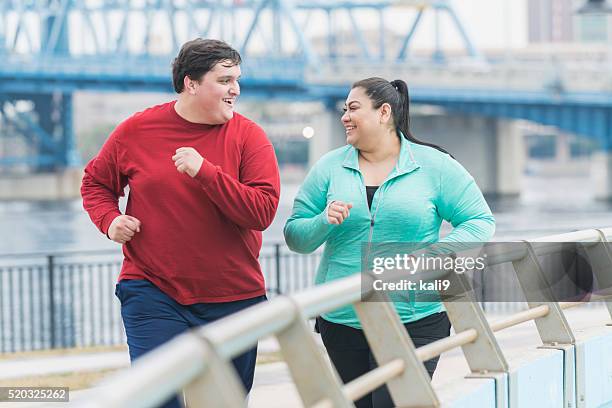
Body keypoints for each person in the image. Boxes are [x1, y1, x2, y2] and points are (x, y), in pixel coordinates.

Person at [81, 38, 280, 408]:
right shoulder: (136, 131)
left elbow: (262, 212)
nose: (235, 88)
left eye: (237, 79)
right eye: (224, 80)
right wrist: (109, 220)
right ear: (191, 83)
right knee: (156, 399)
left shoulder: (249, 136)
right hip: (152, 290)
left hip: (232, 297)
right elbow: (95, 183)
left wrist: (206, 173)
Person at [283, 77, 495, 408]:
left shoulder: (434, 166)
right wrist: (323, 221)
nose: (344, 116)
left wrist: (431, 257)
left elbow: (480, 222)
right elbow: (296, 237)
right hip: (342, 316)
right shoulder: (329, 167)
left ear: (384, 112)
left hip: (416, 316)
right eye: (343, 109)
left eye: (353, 108)